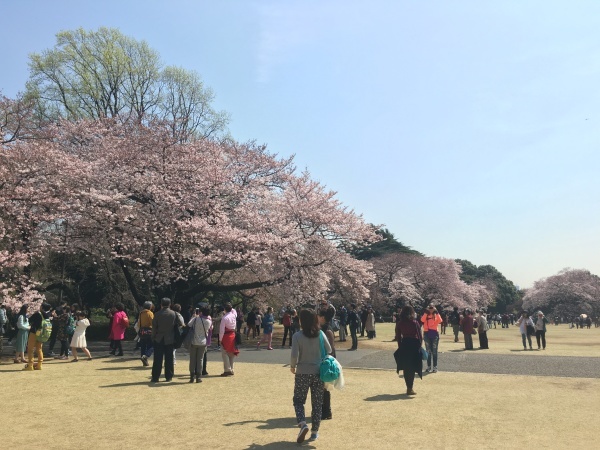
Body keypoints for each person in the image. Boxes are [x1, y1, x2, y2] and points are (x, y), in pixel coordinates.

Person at [291, 309, 332, 443]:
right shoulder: (320, 333)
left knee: (298, 401)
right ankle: (314, 432)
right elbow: (329, 349)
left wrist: (293, 366)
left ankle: (303, 424)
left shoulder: (297, 336)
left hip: (302, 371)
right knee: (317, 403)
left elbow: (294, 355)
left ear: (301, 321)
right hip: (318, 372)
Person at [394, 305, 423, 395]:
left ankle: (408, 387)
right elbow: (420, 335)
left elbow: (398, 336)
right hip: (414, 344)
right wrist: (420, 345)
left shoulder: (400, 323)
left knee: (406, 367)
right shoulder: (414, 322)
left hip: (405, 344)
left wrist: (400, 346)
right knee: (414, 366)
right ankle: (410, 388)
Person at [151, 298, 177, 382]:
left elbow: (154, 328)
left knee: (157, 359)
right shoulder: (174, 314)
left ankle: (155, 377)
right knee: (169, 358)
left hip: (159, 338)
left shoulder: (157, 314)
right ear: (170, 304)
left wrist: (153, 337)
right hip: (170, 338)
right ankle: (168, 376)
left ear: (161, 304)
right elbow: (178, 325)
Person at [318, 306, 336, 421]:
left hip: (326, 361)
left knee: (324, 388)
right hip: (324, 360)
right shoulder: (323, 328)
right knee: (322, 388)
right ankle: (323, 411)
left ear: (323, 317)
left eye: (319, 315)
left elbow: (330, 349)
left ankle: (326, 411)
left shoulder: (326, 330)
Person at [23, 302, 52, 371]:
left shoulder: (38, 314)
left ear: (42, 307)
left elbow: (29, 320)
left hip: (34, 332)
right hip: (42, 335)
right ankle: (39, 365)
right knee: (39, 349)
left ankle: (30, 365)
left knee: (30, 349)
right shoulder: (47, 315)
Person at [187, 307, 212, 383]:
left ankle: (192, 376)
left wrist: (194, 316)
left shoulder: (196, 319)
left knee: (192, 359)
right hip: (203, 342)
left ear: (201, 312)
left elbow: (189, 324)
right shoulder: (209, 321)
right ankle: (198, 376)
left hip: (194, 341)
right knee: (200, 359)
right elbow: (210, 329)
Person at [219, 303, 239, 376]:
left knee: (224, 352)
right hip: (233, 334)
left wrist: (220, 339)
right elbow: (234, 312)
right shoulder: (234, 316)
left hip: (226, 335)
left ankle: (227, 369)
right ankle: (231, 368)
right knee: (231, 353)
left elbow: (221, 330)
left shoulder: (224, 318)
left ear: (224, 310)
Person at [421, 304, 442, 372]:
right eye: (429, 308)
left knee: (434, 351)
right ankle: (429, 366)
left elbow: (440, 321)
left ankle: (435, 367)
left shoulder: (435, 315)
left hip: (434, 333)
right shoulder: (426, 314)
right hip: (426, 333)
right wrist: (426, 312)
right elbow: (422, 320)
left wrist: (436, 312)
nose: (430, 309)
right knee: (428, 351)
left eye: (432, 308)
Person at [138, 301, 154, 366]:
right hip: (149, 331)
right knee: (152, 345)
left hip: (142, 331)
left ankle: (144, 360)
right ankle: (146, 356)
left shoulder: (141, 313)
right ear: (150, 306)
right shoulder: (150, 313)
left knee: (143, 346)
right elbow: (153, 322)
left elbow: (139, 324)